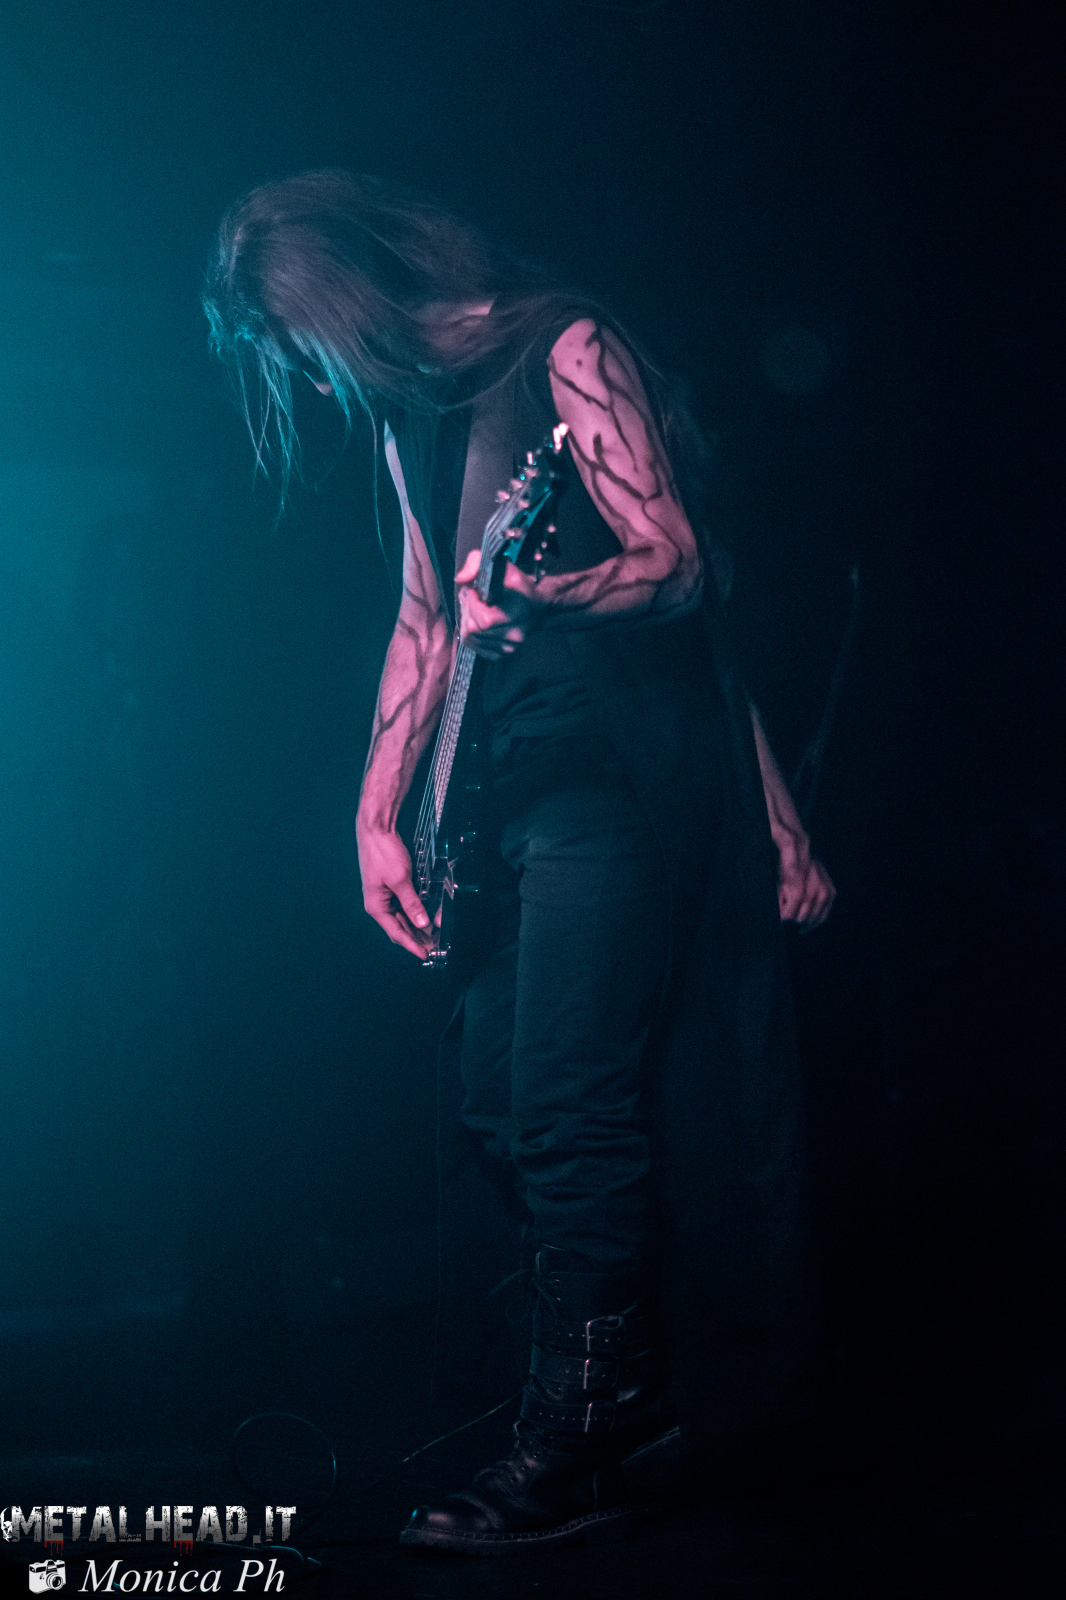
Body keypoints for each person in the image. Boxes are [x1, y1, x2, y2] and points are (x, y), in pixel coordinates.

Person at [204, 168, 835, 1555]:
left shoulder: (563, 344)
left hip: (612, 781)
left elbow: (674, 562)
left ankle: (585, 1432)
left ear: (339, 295)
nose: (309, 379)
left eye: (298, 344)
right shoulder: (411, 417)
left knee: (564, 1104)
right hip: (505, 799)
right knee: (495, 1100)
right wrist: (374, 817)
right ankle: (615, 1392)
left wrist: (546, 594)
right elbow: (424, 615)